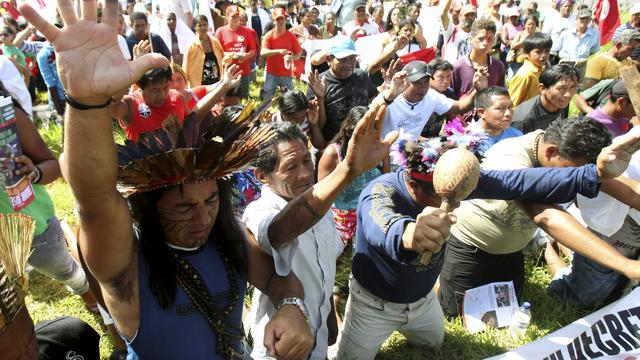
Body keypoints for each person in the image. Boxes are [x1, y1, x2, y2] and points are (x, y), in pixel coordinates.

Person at [18, 1, 315, 358]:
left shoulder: (226, 235)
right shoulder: (125, 262)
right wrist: (86, 101)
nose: (202, 217)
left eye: (210, 201)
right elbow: (94, 199)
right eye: (184, 207)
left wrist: (293, 306)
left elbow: (276, 280)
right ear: (150, 208)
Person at [335, 118, 640, 358]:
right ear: (416, 181)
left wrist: (596, 173)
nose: (454, 202)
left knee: (434, 344)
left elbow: (524, 181)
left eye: (463, 193)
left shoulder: (458, 183)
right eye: (442, 196)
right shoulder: (380, 192)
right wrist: (410, 234)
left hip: (422, 301)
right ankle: (340, 318)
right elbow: (384, 225)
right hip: (374, 306)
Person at [437, 117, 640, 318]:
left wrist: (603, 173)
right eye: (575, 172)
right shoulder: (510, 160)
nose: (577, 178)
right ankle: (439, 268)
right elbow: (547, 217)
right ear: (551, 151)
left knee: (505, 311)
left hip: (512, 249)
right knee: (454, 311)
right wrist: (626, 266)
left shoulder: (566, 156)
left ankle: (542, 248)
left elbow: (629, 191)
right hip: (470, 244)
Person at [0, 81, 97, 314]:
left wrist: (34, 172)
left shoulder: (8, 118)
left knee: (67, 272)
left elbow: (52, 165)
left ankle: (90, 295)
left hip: (33, 228)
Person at [318, 106, 389, 244]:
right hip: (342, 215)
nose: (368, 140)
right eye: (363, 135)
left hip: (371, 209)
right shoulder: (332, 154)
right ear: (349, 132)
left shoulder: (379, 148)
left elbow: (386, 181)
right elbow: (322, 195)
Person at [379, 60, 485, 140]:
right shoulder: (388, 97)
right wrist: (389, 96)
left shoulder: (432, 97)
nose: (422, 87)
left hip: (411, 158)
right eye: (416, 82)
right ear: (405, 81)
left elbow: (461, 107)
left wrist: (477, 89)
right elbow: (369, 120)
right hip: (383, 158)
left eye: (426, 81)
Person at [314, 36, 378, 141]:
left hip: (362, 140)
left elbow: (373, 99)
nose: (348, 64)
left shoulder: (361, 76)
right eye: (342, 59)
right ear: (329, 59)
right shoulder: (318, 83)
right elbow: (316, 126)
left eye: (352, 58)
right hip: (333, 147)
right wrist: (320, 98)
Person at [512, 64, 579, 133]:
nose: (568, 94)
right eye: (562, 88)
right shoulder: (524, 118)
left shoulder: (561, 102)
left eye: (573, 88)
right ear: (542, 88)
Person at [451, 17, 504, 100]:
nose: (485, 43)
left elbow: (500, 95)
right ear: (471, 39)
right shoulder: (458, 67)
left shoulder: (498, 67)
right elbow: (451, 100)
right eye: (481, 39)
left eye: (489, 39)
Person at [215, 5, 257, 99]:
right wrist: (231, 55)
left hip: (244, 72)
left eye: (237, 16)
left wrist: (246, 56)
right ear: (227, 17)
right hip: (227, 73)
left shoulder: (246, 31)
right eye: (233, 16)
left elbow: (253, 51)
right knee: (226, 99)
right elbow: (216, 51)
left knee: (244, 98)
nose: (235, 18)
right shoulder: (220, 31)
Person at [261, 8, 302, 100]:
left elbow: (298, 53)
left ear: (285, 19)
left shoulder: (291, 36)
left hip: (286, 73)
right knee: (266, 98)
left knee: (291, 99)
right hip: (272, 72)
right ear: (273, 21)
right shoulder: (269, 35)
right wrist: (278, 51)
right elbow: (263, 52)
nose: (280, 21)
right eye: (277, 19)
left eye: (282, 18)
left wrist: (291, 58)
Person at [508, 32, 552, 107]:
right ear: (526, 53)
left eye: (547, 51)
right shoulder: (525, 75)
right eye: (538, 52)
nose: (543, 55)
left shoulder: (541, 70)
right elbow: (512, 104)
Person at [182, 15, 224, 88]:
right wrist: (185, 85)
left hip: (217, 82)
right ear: (195, 27)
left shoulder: (215, 42)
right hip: (199, 85)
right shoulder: (191, 45)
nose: (203, 28)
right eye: (200, 25)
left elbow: (222, 58)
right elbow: (185, 66)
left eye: (205, 25)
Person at [422, 57, 455, 137]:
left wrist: (449, 136)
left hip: (436, 141)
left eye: (448, 76)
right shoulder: (420, 95)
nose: (446, 81)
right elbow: (407, 131)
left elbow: (451, 121)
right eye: (441, 77)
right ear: (430, 77)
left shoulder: (449, 94)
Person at [505, 15, 538, 81]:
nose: (531, 26)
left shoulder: (537, 36)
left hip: (531, 63)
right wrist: (522, 42)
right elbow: (512, 46)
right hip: (517, 62)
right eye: (529, 24)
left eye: (533, 24)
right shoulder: (520, 34)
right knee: (512, 80)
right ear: (525, 25)